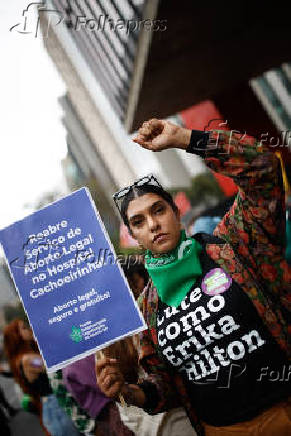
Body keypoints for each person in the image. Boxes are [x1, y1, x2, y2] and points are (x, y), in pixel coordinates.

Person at [96, 119, 291, 436]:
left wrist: (186, 138)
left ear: (175, 211)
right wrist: (131, 393)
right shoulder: (146, 308)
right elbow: (166, 385)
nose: (153, 224)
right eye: (139, 221)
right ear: (133, 235)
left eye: (159, 210)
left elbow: (263, 168)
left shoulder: (232, 245)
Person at [3, 319, 81, 436]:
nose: (29, 329)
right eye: (24, 328)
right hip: (55, 406)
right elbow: (51, 363)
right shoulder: (27, 359)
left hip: (54, 404)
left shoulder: (26, 356)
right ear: (17, 337)